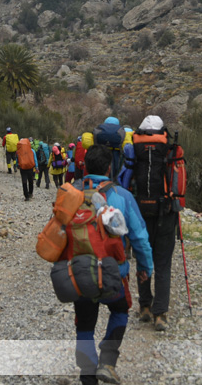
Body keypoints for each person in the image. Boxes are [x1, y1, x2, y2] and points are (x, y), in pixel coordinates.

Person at [72, 144, 153, 385]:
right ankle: (107, 362)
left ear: (85, 167)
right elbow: (139, 238)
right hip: (114, 273)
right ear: (110, 168)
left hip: (80, 272)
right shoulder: (123, 196)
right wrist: (145, 268)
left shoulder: (71, 194)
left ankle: (87, 375)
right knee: (119, 310)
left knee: (85, 324)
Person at [122, 115, 179, 332]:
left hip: (140, 213)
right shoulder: (170, 150)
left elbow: (126, 180)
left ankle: (145, 306)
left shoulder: (133, 150)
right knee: (163, 263)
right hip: (166, 213)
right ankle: (160, 314)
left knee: (144, 259)